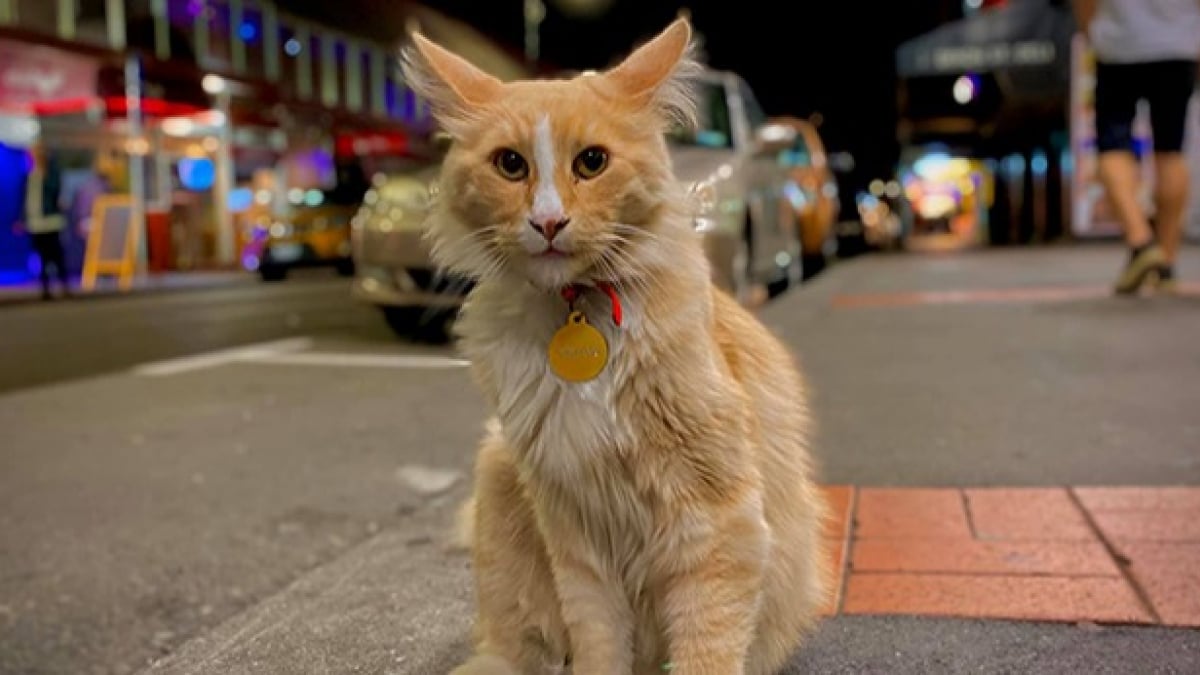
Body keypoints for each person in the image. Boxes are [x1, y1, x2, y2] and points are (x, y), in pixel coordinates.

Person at [1072, 0, 1200, 294]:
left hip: (1119, 46)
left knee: (1111, 146)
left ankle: (1141, 241)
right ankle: (1166, 263)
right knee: (1171, 151)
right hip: (1177, 45)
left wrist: (1091, 30)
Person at [18, 144, 70, 300]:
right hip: (35, 223)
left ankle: (64, 286)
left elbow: (56, 193)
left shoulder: (51, 175)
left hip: (51, 222)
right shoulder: (29, 176)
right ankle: (45, 289)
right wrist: (22, 219)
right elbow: (25, 200)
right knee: (41, 257)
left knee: (56, 256)